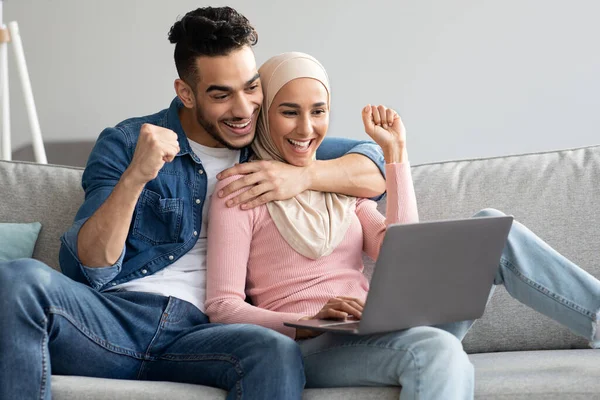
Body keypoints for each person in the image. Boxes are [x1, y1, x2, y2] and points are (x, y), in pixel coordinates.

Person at [0, 7, 389, 400]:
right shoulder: (128, 141)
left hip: (207, 332)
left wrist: (303, 175)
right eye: (221, 95)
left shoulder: (273, 144)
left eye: (251, 88)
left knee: (273, 349)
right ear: (186, 92)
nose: (242, 110)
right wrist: (136, 176)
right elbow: (91, 266)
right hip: (114, 321)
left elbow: (374, 165)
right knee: (18, 280)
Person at [204, 51, 600, 400]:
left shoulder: (339, 188)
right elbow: (223, 307)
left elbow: (403, 253)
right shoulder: (238, 193)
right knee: (435, 350)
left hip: (381, 325)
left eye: (318, 111)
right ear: (265, 112)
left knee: (495, 228)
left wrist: (397, 154)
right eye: (289, 111)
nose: (306, 129)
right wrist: (303, 324)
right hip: (317, 345)